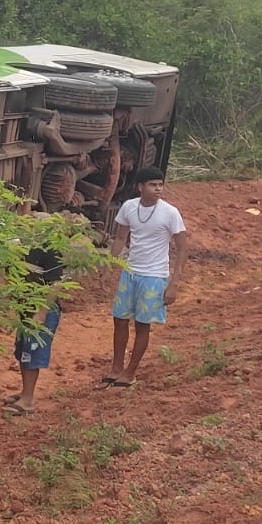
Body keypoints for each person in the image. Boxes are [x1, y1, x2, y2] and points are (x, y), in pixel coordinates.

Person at [101, 166, 187, 388]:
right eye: (152, 184)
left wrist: (174, 283)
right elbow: (120, 239)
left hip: (154, 277)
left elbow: (182, 248)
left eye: (160, 184)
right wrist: (110, 263)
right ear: (140, 187)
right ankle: (117, 367)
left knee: (142, 324)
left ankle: (131, 372)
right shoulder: (129, 208)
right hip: (130, 273)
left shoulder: (170, 213)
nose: (158, 189)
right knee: (119, 320)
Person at [2, 245, 66, 416]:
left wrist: (42, 312)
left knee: (32, 354)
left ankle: (28, 399)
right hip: (26, 308)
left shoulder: (50, 250)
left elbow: (56, 284)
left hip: (42, 311)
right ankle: (25, 393)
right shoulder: (21, 246)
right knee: (23, 351)